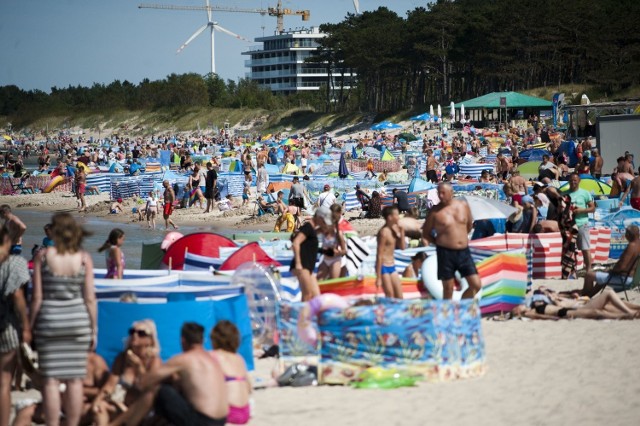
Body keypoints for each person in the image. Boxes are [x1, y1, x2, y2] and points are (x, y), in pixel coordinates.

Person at [30, 212, 96, 426]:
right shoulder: (84, 258)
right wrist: (94, 329)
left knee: (50, 381)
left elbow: (37, 297)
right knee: (75, 380)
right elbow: (90, 299)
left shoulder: (42, 256)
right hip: (78, 323)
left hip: (50, 322)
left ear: (55, 231)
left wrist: (30, 326)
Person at [138, 322, 228, 426]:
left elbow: (143, 382)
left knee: (162, 391)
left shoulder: (184, 359)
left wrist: (140, 364)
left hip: (203, 422)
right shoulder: (212, 359)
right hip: (221, 421)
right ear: (203, 340)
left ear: (182, 340)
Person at [92, 320, 162, 426]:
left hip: (142, 411)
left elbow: (149, 389)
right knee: (100, 407)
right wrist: (97, 401)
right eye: (132, 331)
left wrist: (138, 367)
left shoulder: (154, 361)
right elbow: (110, 385)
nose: (135, 335)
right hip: (121, 405)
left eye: (141, 333)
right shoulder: (122, 358)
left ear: (150, 340)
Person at [421, 182, 482, 299]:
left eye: (443, 193)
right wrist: (439, 242)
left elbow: (469, 226)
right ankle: (448, 314)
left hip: (464, 252)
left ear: (451, 192)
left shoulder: (463, 206)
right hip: (445, 252)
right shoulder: (435, 212)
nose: (440, 196)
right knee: (448, 289)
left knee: (476, 284)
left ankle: (461, 305)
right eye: (439, 193)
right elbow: (426, 233)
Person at [0, 226, 31, 426]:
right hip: (6, 324)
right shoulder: (15, 263)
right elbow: (17, 295)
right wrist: (27, 325)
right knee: (4, 381)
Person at [210, 321, 251, 425]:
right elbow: (249, 387)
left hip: (230, 411)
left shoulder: (214, 356)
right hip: (245, 412)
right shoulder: (239, 358)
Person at [512, 287, 639, 320]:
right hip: (573, 309)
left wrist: (557, 296)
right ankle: (630, 314)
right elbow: (540, 316)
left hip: (574, 306)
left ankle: (635, 312)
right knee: (608, 296)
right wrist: (555, 317)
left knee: (609, 305)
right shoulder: (531, 311)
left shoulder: (535, 302)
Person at [582, 225, 640, 297]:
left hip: (623, 280)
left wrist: (610, 271)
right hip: (632, 279)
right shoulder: (638, 245)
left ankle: (583, 296)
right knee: (601, 278)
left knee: (588, 274)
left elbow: (621, 267)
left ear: (628, 234)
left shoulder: (631, 246)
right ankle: (587, 296)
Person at [291, 207, 333, 301]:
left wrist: (323, 250)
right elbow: (296, 243)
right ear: (318, 217)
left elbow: (308, 244)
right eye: (323, 221)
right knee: (307, 295)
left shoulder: (312, 229)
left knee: (316, 296)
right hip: (302, 265)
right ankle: (303, 315)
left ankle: (309, 314)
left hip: (308, 266)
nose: (324, 223)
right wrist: (298, 264)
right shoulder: (308, 227)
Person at [567, 173, 596, 272]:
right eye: (571, 180)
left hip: (582, 224)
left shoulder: (585, 193)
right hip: (569, 226)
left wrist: (581, 210)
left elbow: (593, 208)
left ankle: (588, 270)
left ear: (579, 181)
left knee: (585, 248)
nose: (573, 182)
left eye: (575, 180)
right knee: (569, 250)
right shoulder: (565, 194)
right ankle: (571, 270)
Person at [376, 205, 406, 298]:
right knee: (390, 295)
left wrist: (402, 233)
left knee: (400, 296)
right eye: (396, 215)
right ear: (390, 217)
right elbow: (379, 255)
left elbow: (402, 247)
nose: (399, 216)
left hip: (392, 265)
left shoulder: (394, 229)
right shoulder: (383, 232)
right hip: (383, 266)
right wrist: (378, 277)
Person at [317, 204, 347, 280]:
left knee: (334, 283)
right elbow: (311, 233)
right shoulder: (323, 230)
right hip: (325, 259)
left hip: (335, 260)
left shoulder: (338, 233)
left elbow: (344, 251)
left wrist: (337, 252)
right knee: (319, 282)